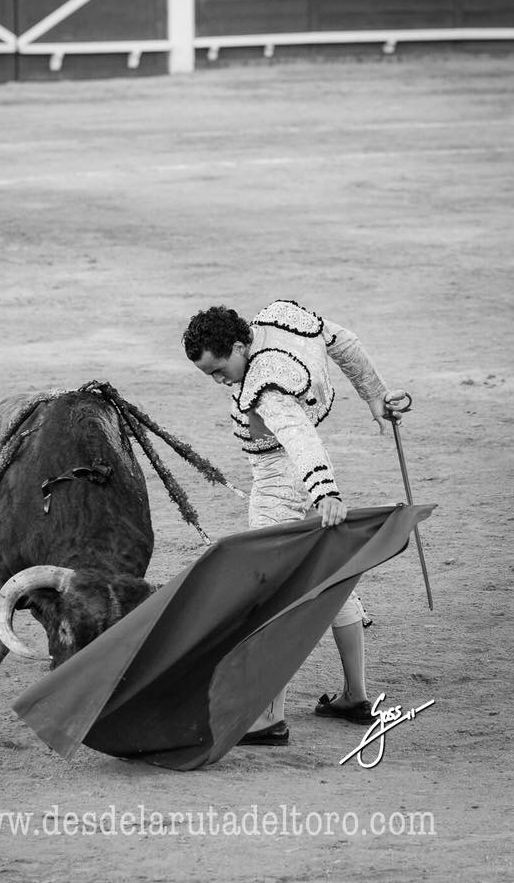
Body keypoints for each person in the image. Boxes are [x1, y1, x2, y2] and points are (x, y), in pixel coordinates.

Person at [182, 299, 410, 746]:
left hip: (279, 484)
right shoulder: (281, 319)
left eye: (219, 369)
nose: (218, 380)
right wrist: (376, 396)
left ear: (237, 346)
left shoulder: (265, 387)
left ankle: (269, 718)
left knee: (272, 595)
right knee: (332, 577)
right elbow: (344, 342)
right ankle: (355, 696)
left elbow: (297, 435)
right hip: (302, 475)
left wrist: (325, 491)